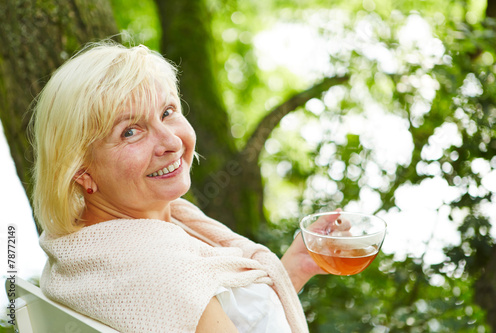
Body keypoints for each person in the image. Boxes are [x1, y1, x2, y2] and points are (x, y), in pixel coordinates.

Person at [32, 41, 327, 333]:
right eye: (130, 131)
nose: (171, 142)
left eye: (167, 112)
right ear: (81, 170)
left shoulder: (94, 250)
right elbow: (169, 291)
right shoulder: (158, 270)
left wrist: (292, 272)